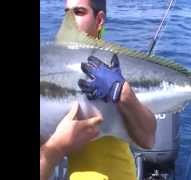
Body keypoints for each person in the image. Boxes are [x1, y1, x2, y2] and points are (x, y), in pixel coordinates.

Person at [40, 0, 157, 179]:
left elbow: (147, 138)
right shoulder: (52, 66)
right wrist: (57, 146)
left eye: (78, 12)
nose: (69, 20)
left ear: (99, 20)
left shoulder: (118, 67)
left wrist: (124, 93)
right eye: (66, 13)